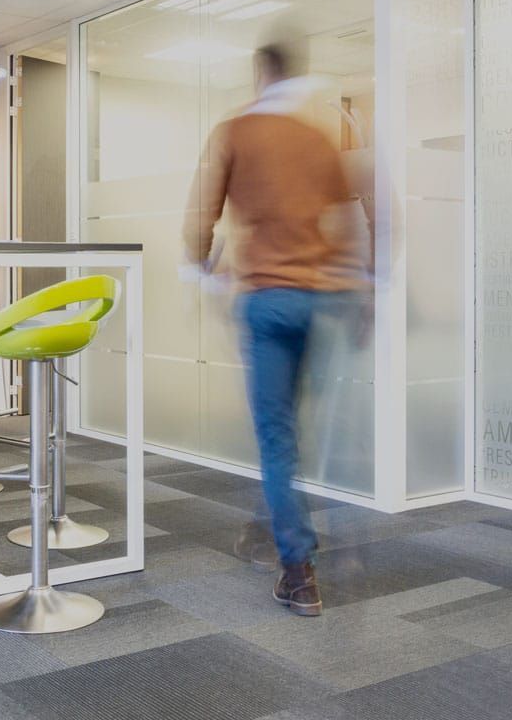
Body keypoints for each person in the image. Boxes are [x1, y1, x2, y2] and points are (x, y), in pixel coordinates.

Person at [183, 38, 370, 617]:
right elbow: (349, 215)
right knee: (296, 424)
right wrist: (359, 288)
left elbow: (202, 212)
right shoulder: (317, 139)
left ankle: (299, 572)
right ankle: (289, 526)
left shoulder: (234, 131)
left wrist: (202, 270)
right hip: (317, 297)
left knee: (276, 433)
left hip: (266, 301)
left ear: (261, 75)